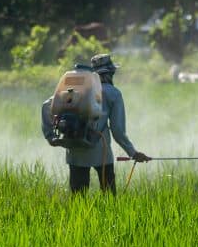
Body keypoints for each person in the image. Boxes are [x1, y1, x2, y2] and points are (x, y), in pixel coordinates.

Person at [42, 53, 151, 194]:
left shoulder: (77, 90)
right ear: (109, 73)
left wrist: (50, 136)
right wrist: (133, 152)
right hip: (101, 152)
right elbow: (118, 131)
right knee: (109, 199)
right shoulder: (113, 93)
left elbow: (46, 105)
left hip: (74, 150)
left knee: (78, 201)